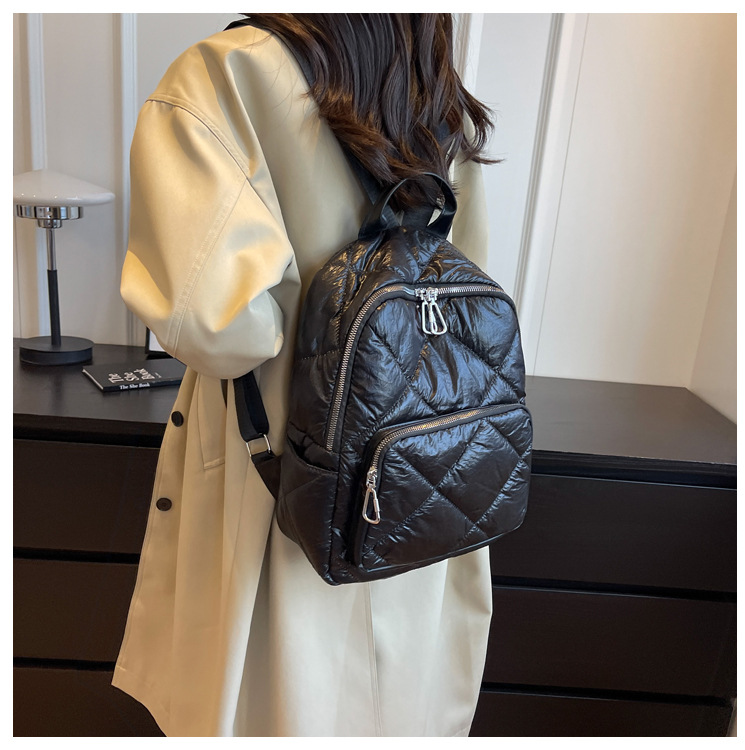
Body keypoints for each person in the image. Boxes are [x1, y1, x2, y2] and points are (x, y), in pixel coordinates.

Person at [114, 13, 497, 737]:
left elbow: (217, 326)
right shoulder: (433, 84)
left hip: (283, 478)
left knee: (277, 698)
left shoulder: (228, 72)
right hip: (419, 480)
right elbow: (466, 283)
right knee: (397, 704)